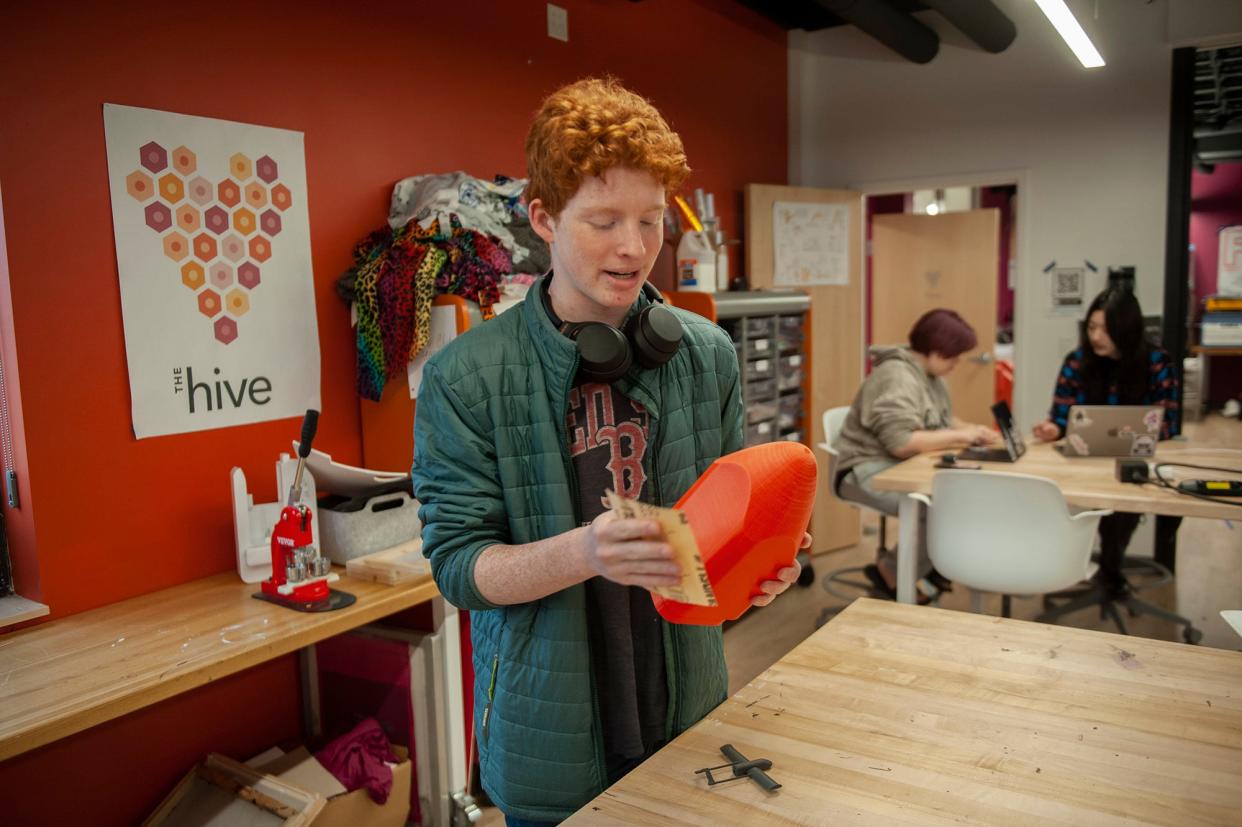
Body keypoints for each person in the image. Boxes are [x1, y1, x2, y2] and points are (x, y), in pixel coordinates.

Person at [411, 77, 807, 825]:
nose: (633, 248)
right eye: (602, 221)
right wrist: (587, 551)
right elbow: (459, 570)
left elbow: (724, 525)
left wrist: (760, 569)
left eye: (651, 220)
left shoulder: (708, 354)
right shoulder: (465, 378)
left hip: (688, 713)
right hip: (546, 743)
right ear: (543, 218)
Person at [832, 309, 998, 601]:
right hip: (863, 470)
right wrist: (962, 436)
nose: (957, 364)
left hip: (895, 465)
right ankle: (895, 572)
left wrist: (973, 430)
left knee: (955, 499)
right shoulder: (896, 377)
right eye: (954, 356)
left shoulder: (931, 377)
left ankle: (923, 570)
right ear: (936, 351)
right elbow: (901, 443)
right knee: (938, 507)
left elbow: (941, 420)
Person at [1031, 287, 1181, 591]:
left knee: (1123, 507)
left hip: (1134, 462)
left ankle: (1109, 571)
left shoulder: (1156, 361)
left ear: (1125, 330)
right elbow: (1061, 416)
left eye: (1106, 329)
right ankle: (1098, 571)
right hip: (1083, 463)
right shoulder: (1076, 361)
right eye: (1091, 327)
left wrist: (1130, 433)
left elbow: (1170, 423)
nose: (1097, 336)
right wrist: (1054, 429)